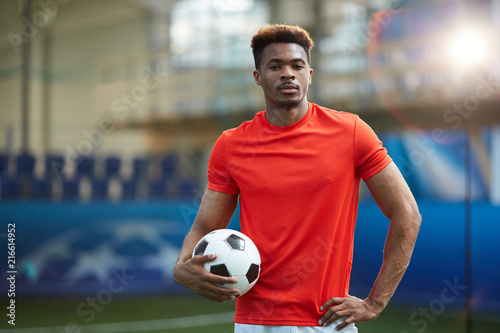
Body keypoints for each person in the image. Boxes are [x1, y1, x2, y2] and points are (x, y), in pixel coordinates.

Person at [173, 24, 421, 333]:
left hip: (329, 322)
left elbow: (407, 213)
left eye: (296, 65)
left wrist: (375, 302)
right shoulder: (231, 145)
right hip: (254, 323)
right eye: (275, 66)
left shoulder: (352, 132)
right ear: (258, 77)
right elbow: (206, 226)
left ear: (309, 74)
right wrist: (182, 266)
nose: (287, 73)